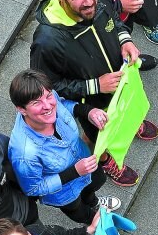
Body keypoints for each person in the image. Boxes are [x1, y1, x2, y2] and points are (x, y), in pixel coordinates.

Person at [30, 0, 158, 187]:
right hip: (90, 102)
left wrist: (125, 40)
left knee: (127, 110)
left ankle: (130, 125)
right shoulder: (47, 41)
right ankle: (106, 160)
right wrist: (95, 86)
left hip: (122, 82)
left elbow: (114, 22)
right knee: (97, 134)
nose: (89, 0)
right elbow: (47, 89)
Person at [8, 69, 121, 224]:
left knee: (94, 185)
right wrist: (75, 172)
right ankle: (94, 222)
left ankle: (94, 203)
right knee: (78, 210)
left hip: (85, 160)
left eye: (48, 96)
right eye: (36, 103)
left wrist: (87, 111)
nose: (47, 105)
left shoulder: (50, 97)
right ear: (21, 109)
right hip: (66, 192)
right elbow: (33, 189)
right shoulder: (24, 152)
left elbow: (61, 105)